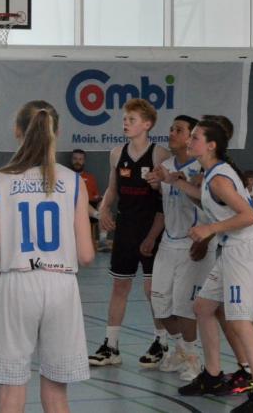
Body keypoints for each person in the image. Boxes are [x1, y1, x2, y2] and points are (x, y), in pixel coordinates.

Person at [0, 101, 94, 413]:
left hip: (18, 283)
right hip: (61, 285)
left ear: (17, 132)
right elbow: (86, 255)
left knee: (11, 389)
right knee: (57, 392)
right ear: (55, 133)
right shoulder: (73, 181)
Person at [165, 119, 253, 412]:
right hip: (231, 247)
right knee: (203, 307)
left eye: (195, 137)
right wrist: (174, 180)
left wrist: (209, 229)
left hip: (245, 250)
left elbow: (249, 216)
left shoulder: (218, 178)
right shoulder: (211, 174)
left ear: (211, 145)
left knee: (241, 321)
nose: (189, 141)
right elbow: (207, 200)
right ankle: (214, 376)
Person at [89, 98, 171, 369]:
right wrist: (103, 210)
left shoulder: (160, 154)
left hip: (151, 228)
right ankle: (111, 346)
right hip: (125, 227)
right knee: (119, 286)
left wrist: (159, 185)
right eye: (124, 119)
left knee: (152, 290)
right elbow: (112, 188)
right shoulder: (116, 153)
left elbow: (169, 195)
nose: (126, 123)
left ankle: (162, 342)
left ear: (147, 124)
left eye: (131, 120)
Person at [146, 115, 211, 382]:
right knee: (159, 301)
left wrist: (204, 240)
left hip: (192, 244)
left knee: (184, 306)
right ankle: (180, 350)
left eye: (179, 130)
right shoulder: (164, 165)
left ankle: (194, 358)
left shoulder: (201, 168)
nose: (172, 132)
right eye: (171, 128)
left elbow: (211, 208)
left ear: (190, 137)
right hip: (168, 243)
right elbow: (164, 207)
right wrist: (152, 236)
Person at [69, 149, 105, 250]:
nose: (77, 161)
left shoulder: (90, 178)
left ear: (84, 161)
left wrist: (103, 201)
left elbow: (96, 197)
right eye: (75, 159)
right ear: (71, 160)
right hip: (72, 208)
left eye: (80, 159)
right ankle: (100, 216)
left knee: (104, 205)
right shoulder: (66, 176)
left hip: (90, 209)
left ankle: (102, 242)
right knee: (81, 201)